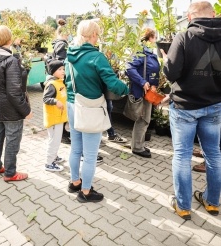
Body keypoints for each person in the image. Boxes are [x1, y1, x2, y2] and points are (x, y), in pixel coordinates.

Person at [161, 1, 221, 220]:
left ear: (190, 17)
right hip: (214, 106)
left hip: (185, 107)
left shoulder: (184, 37)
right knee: (214, 155)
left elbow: (172, 73)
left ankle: (184, 206)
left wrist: (166, 60)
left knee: (182, 156)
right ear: (213, 14)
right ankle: (212, 202)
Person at [65, 20, 129, 203]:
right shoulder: (96, 57)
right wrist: (128, 90)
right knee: (91, 154)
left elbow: (68, 81)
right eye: (97, 34)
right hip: (90, 107)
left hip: (72, 104)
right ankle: (85, 192)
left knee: (76, 148)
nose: (98, 38)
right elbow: (113, 83)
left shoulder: (69, 54)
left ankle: (74, 182)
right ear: (93, 35)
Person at [0, 25, 33, 182]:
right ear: (9, 39)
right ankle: (10, 173)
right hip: (10, 109)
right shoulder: (10, 60)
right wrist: (26, 110)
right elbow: (14, 91)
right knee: (12, 140)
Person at [126, 28, 160, 159]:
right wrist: (142, 82)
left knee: (144, 119)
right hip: (141, 92)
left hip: (149, 92)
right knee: (143, 119)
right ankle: (137, 148)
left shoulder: (150, 53)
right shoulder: (141, 53)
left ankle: (138, 144)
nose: (156, 40)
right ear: (150, 38)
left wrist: (153, 84)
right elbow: (129, 67)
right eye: (154, 37)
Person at [43, 59, 68, 172]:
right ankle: (49, 162)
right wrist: (55, 102)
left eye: (63, 69)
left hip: (59, 117)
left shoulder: (60, 81)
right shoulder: (52, 84)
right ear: (53, 72)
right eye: (59, 69)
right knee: (54, 140)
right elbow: (46, 99)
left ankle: (54, 156)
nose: (63, 71)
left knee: (56, 139)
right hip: (53, 118)